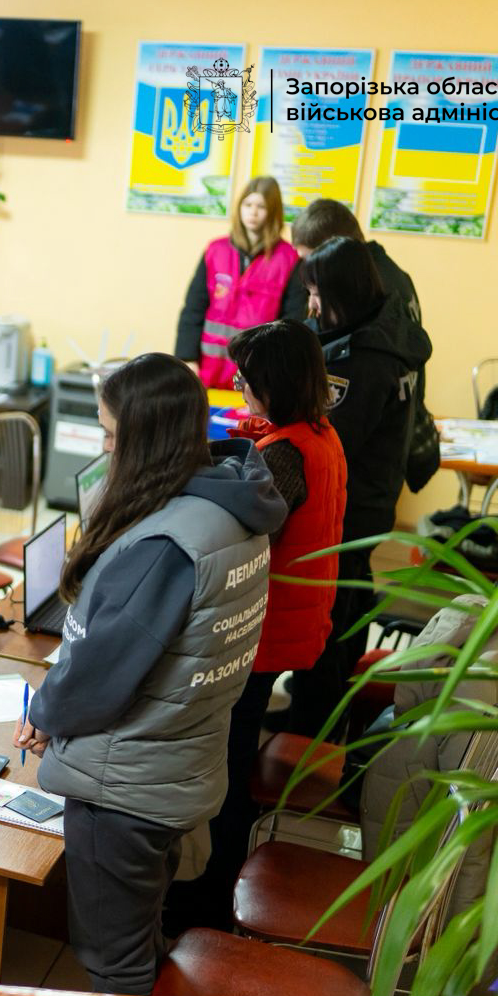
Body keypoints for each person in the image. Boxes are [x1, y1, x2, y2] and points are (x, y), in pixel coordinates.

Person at [12, 353, 285, 996]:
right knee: (137, 935)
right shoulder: (232, 508)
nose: (104, 449)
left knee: (116, 967)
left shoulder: (165, 543)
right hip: (181, 759)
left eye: (110, 434)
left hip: (126, 785)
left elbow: (103, 675)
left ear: (145, 439)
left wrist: (47, 708)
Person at [163, 320, 347, 932]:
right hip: (298, 617)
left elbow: (247, 526)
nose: (239, 388)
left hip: (262, 631)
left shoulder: (285, 456)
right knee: (235, 748)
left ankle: (213, 895)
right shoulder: (319, 434)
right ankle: (218, 882)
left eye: (245, 380)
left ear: (275, 384)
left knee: (230, 760)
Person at [281, 236, 432, 738]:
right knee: (350, 604)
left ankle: (311, 734)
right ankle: (325, 714)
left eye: (316, 293)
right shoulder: (388, 331)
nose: (311, 305)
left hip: (349, 507)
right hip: (373, 499)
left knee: (329, 621)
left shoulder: (361, 361)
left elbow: (330, 440)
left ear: (340, 293)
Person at [174, 175, 299, 388]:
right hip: (208, 371)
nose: (253, 212)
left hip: (256, 375)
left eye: (261, 206)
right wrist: (187, 358)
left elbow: (292, 321)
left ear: (274, 212)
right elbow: (194, 308)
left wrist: (279, 371)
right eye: (247, 204)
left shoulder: (289, 259)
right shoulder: (215, 251)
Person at [282, 197, 421, 324]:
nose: (308, 270)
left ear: (333, 248)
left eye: (311, 260)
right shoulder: (385, 269)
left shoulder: (367, 289)